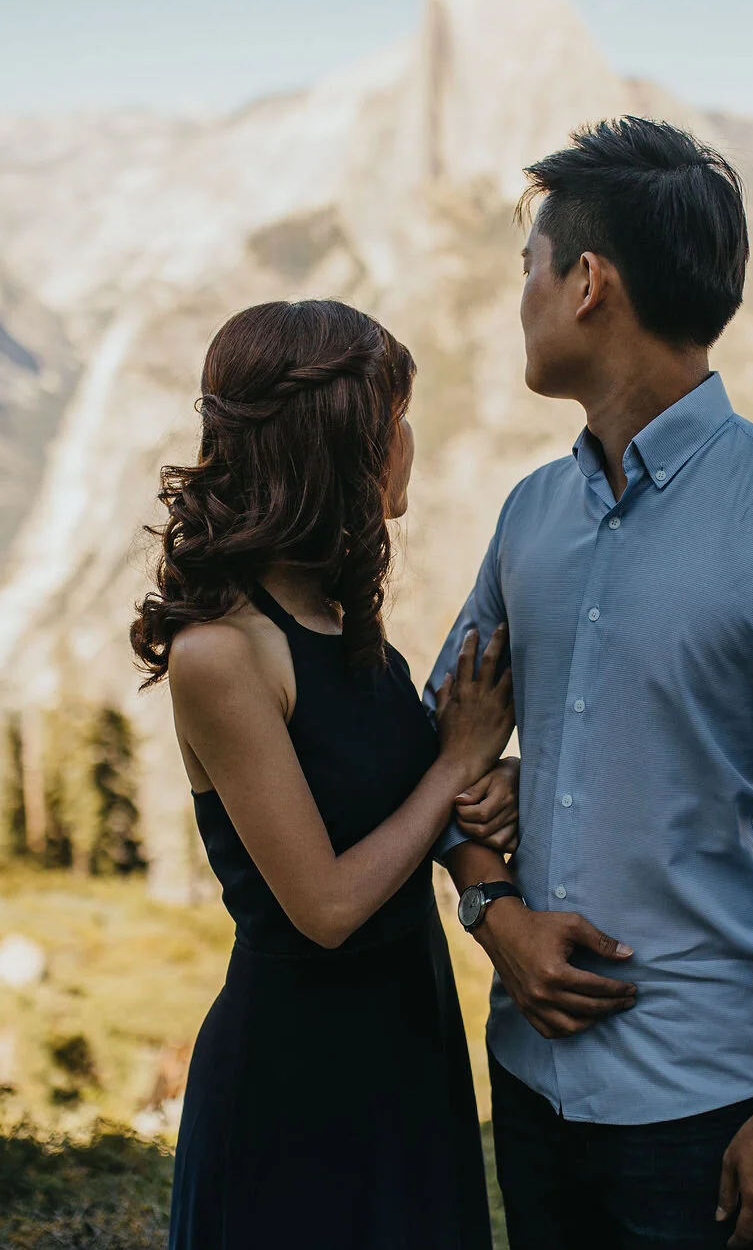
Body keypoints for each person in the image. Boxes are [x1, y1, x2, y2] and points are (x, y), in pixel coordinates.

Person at [435, 118, 753, 1250]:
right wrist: (493, 914)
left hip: (706, 1108)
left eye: (527, 270)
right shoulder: (528, 517)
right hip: (529, 1085)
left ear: (586, 283)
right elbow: (437, 741)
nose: (522, 301)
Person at [134, 299, 520, 1250]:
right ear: (335, 447)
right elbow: (329, 905)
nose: (409, 442)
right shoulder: (223, 653)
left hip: (408, 1040)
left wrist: (487, 784)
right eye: (392, 420)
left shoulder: (344, 628)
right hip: (299, 1075)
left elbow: (394, 805)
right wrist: (457, 764)